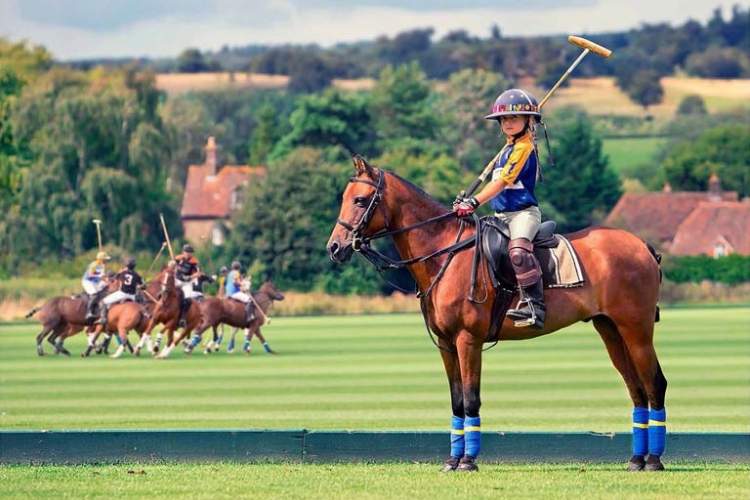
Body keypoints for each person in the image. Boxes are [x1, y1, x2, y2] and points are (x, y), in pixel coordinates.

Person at [453, 88, 546, 329]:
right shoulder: (507, 150)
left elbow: (502, 183)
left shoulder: (525, 148)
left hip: (523, 214)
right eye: (504, 119)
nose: (508, 123)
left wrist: (473, 203)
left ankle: (534, 306)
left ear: (529, 120)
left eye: (514, 118)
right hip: (499, 216)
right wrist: (464, 199)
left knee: (517, 251)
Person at [97, 257, 144, 325]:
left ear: (126, 265)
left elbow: (113, 278)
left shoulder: (123, 273)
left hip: (122, 294)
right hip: (132, 296)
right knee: (141, 303)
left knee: (103, 302)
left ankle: (103, 318)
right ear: (134, 266)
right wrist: (141, 285)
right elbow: (144, 286)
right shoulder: (137, 275)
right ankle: (145, 314)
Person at [174, 244, 202, 327]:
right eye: (186, 252)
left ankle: (183, 318)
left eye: (190, 252)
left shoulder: (194, 262)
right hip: (177, 280)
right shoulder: (178, 258)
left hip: (187, 283)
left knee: (188, 299)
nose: (188, 254)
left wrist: (190, 277)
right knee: (165, 290)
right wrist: (172, 263)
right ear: (183, 252)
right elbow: (171, 265)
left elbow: (198, 273)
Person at [82, 251, 111, 322]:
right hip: (88, 281)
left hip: (95, 282)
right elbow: (90, 275)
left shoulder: (102, 266)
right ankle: (88, 312)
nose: (106, 261)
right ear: (101, 259)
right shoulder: (94, 264)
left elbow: (102, 276)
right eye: (105, 259)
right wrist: (100, 276)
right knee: (94, 295)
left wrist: (107, 280)